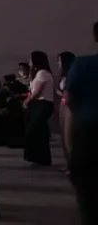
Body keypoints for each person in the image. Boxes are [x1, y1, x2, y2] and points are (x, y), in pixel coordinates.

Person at [64, 23, 98, 225]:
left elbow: (68, 105)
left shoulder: (82, 65)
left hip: (88, 136)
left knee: (89, 199)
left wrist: (69, 148)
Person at [23, 51, 55, 166]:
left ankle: (41, 158)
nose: (29, 62)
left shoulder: (42, 73)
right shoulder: (37, 73)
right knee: (38, 131)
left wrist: (27, 101)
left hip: (42, 103)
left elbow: (36, 92)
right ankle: (38, 158)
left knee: (34, 130)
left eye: (31, 59)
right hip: (38, 104)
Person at [57, 52, 76, 166]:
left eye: (59, 61)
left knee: (68, 136)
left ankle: (72, 163)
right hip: (63, 104)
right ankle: (69, 163)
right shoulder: (64, 75)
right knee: (64, 135)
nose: (58, 64)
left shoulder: (71, 74)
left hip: (68, 106)